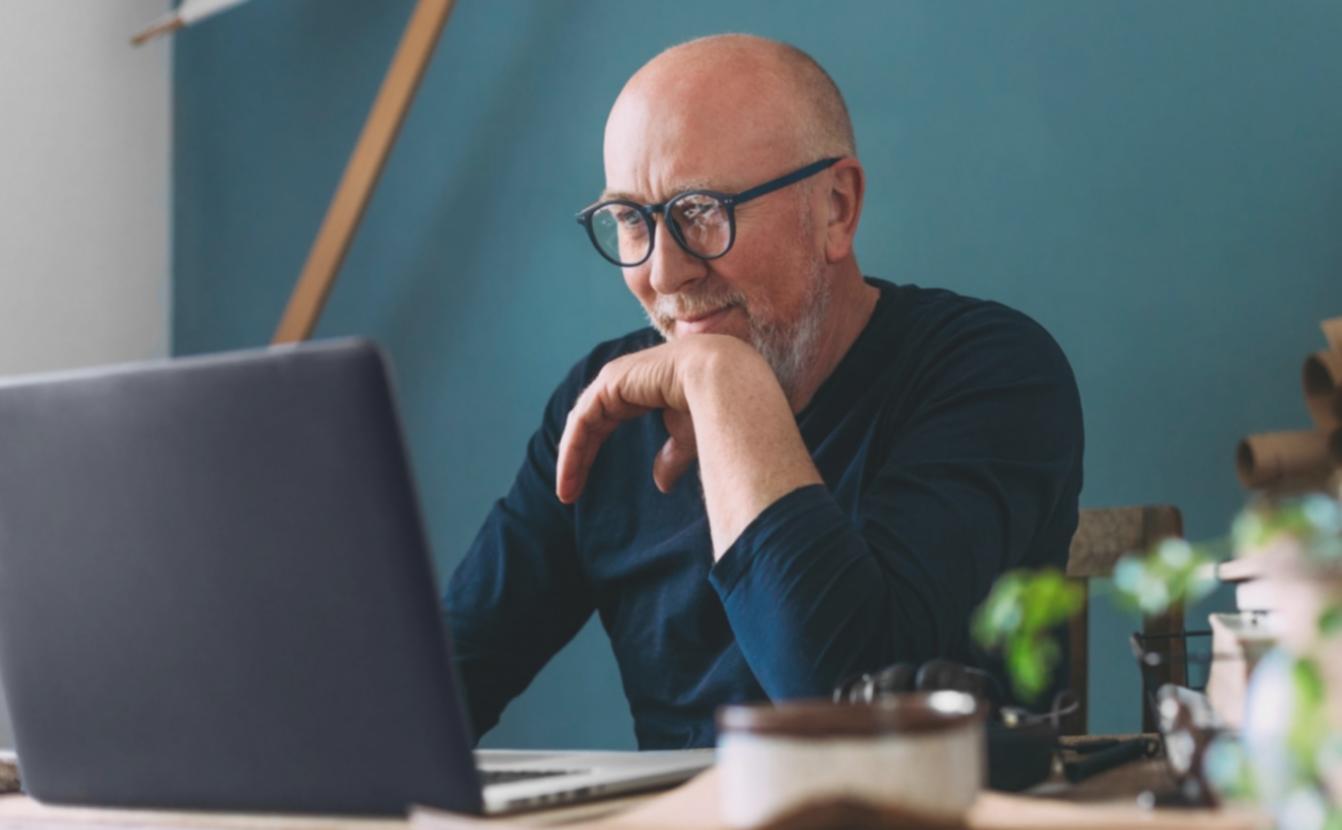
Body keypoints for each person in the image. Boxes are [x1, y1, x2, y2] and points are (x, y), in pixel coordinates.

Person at [443, 34, 1084, 749]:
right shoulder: (605, 410)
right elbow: (434, 696)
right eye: (630, 219)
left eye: (699, 210)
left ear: (836, 207)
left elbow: (852, 717)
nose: (663, 274)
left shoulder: (990, 371)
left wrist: (724, 382)